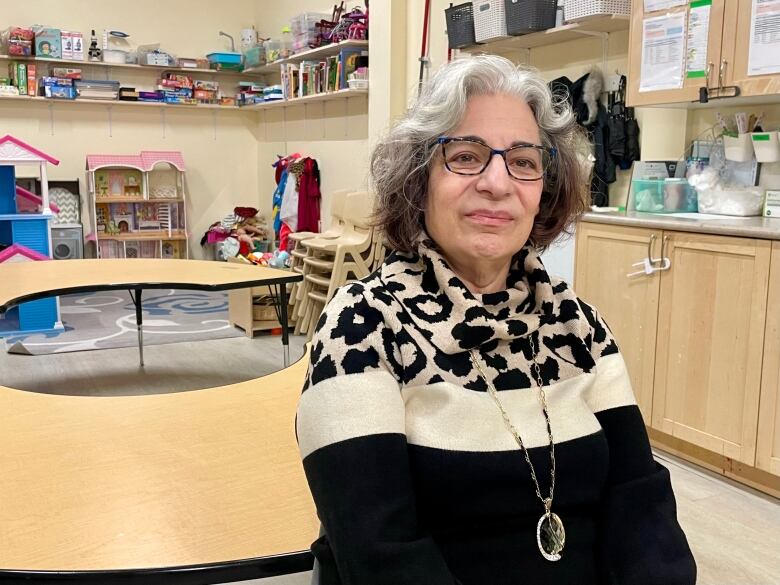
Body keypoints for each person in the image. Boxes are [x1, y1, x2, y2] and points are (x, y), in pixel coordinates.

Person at [296, 55, 696, 585]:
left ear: (543, 191)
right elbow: (379, 551)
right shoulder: (363, 326)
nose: (497, 182)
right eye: (466, 156)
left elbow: (639, 500)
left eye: (524, 162)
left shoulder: (578, 325)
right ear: (419, 180)